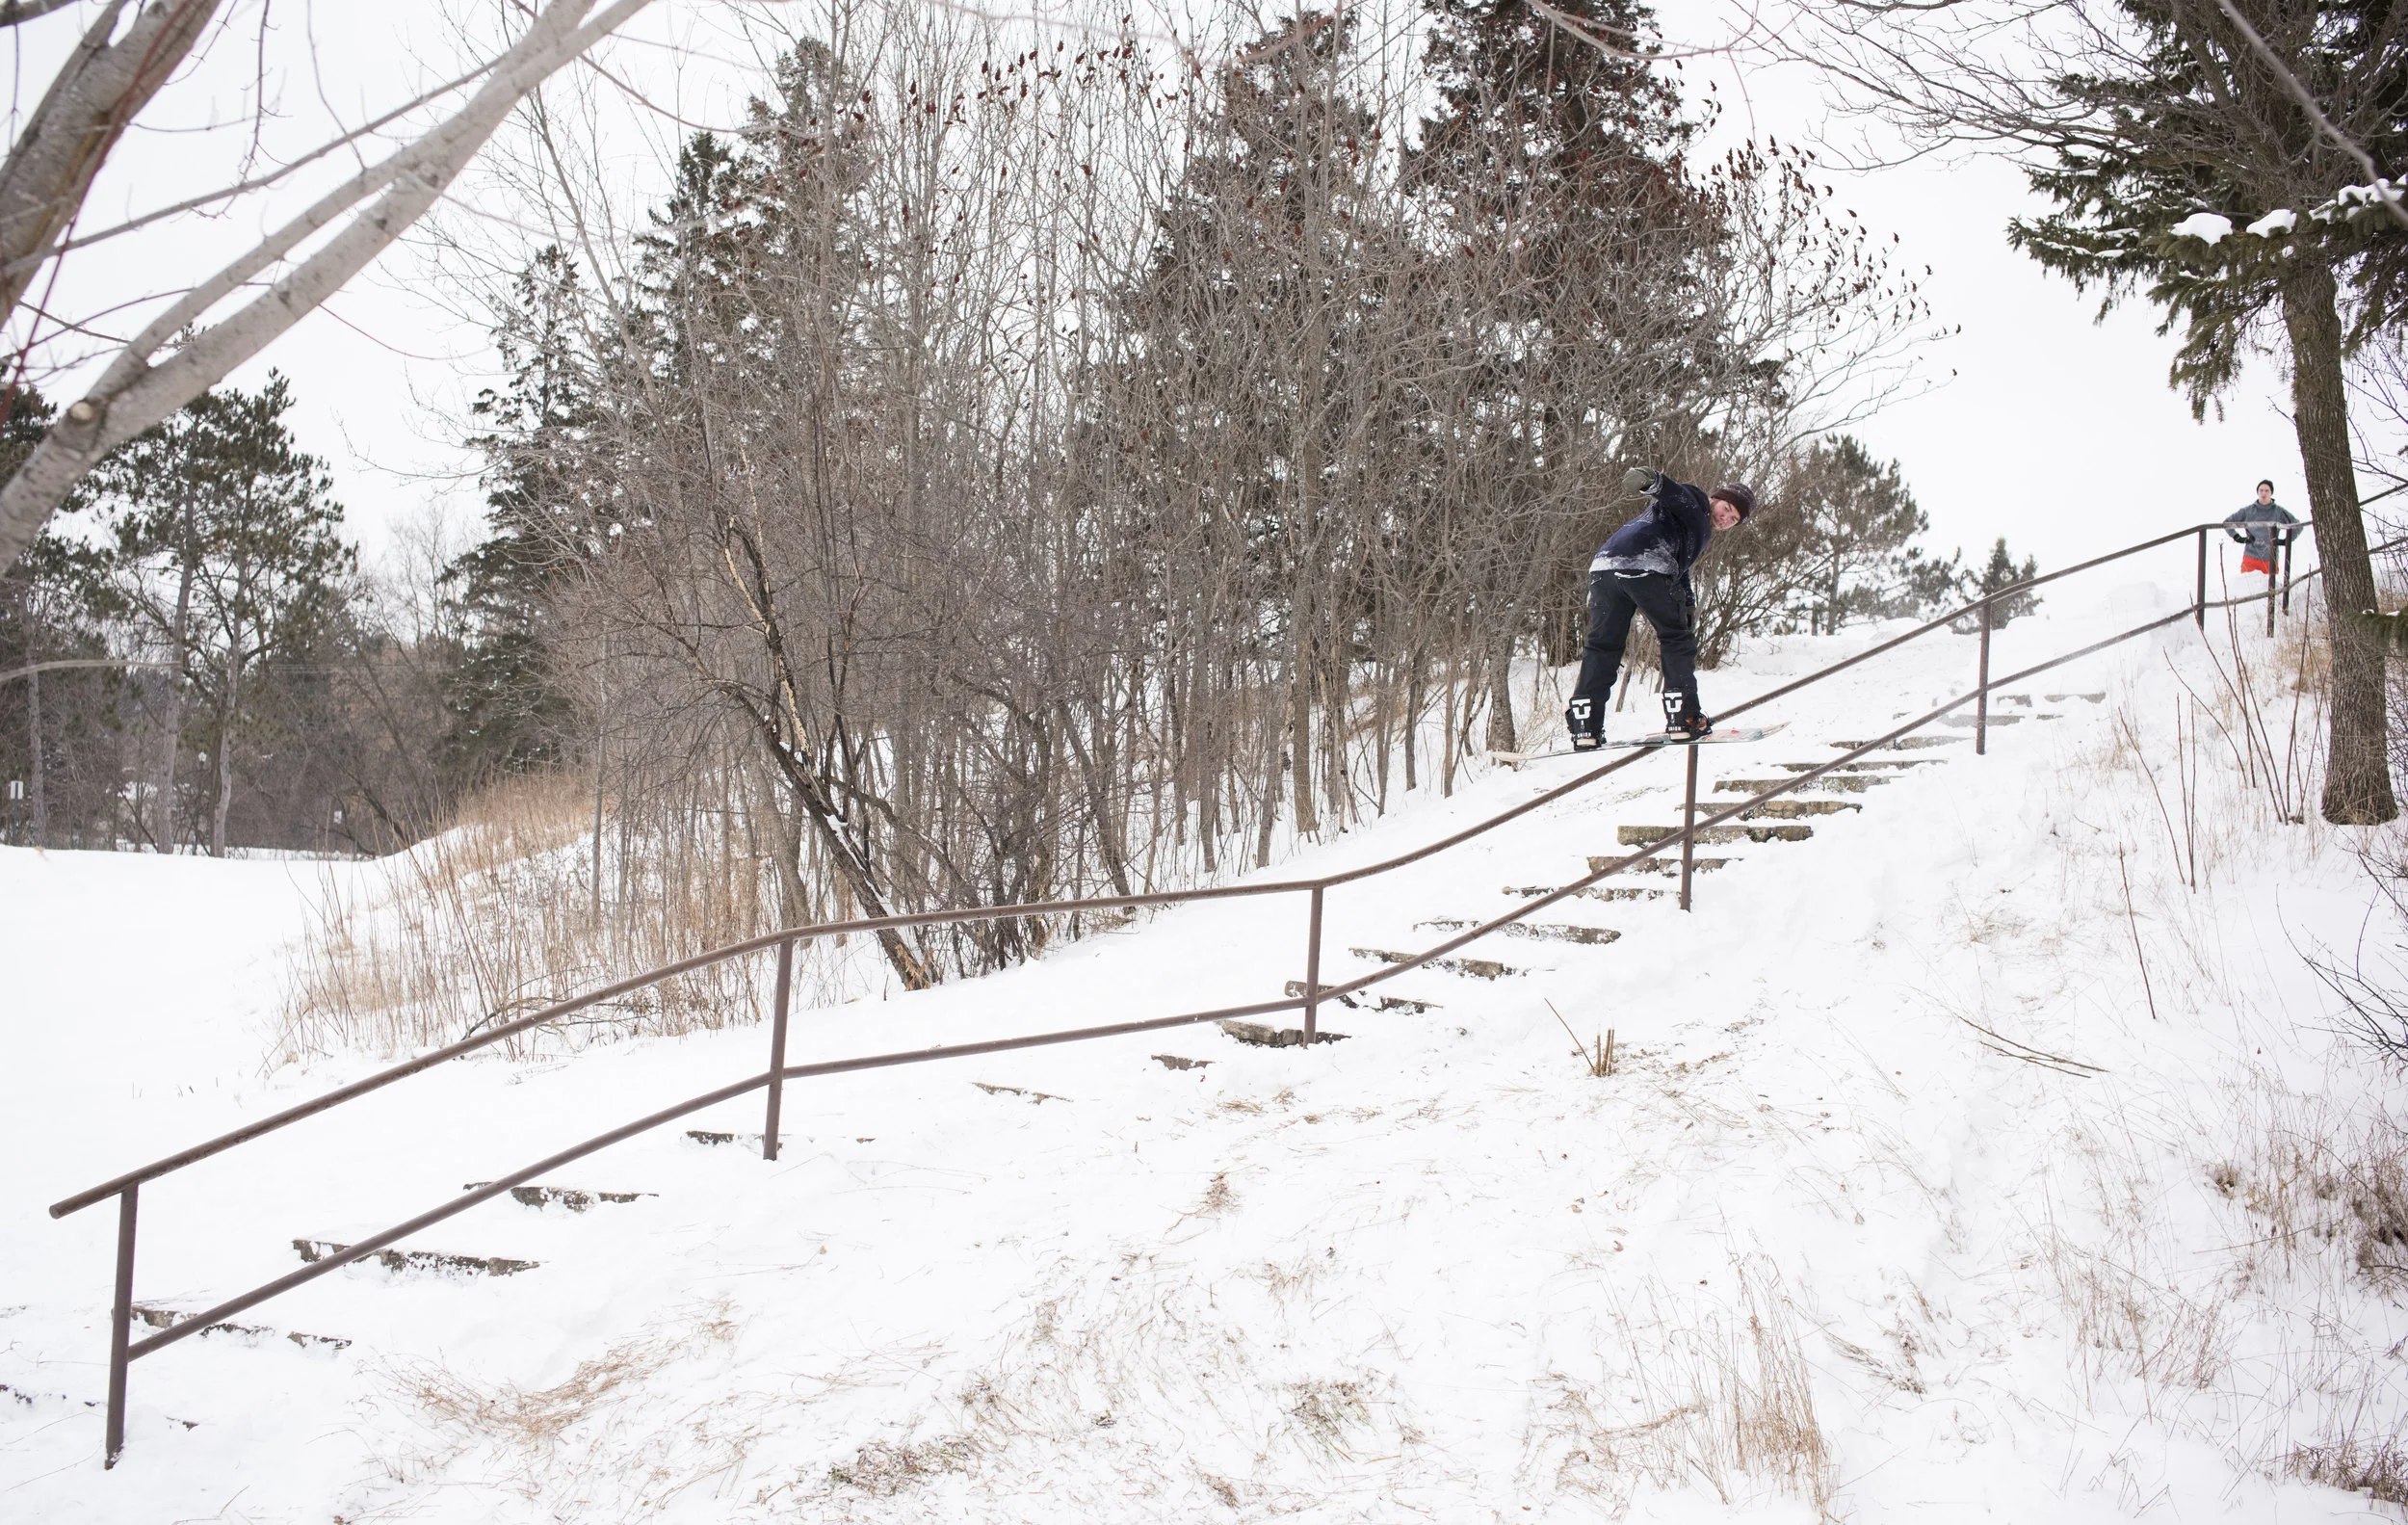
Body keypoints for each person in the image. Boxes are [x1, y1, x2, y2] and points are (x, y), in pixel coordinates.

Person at [1564, 468, 1756, 749]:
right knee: (1676, 638)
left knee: (1603, 645)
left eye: (1733, 519)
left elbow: (1681, 569)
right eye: (1726, 508)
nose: (1725, 518)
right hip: (1646, 566)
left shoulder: (1686, 526)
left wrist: (1687, 604)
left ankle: (1586, 726)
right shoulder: (1698, 502)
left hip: (1605, 568)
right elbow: (1677, 495)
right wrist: (1653, 482)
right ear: (1716, 498)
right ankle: (1684, 718)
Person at [2225, 479, 2301, 579]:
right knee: (2248, 590)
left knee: (2270, 591)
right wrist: (2238, 537)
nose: (2263, 493)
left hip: (2270, 559)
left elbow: (2298, 525)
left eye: (2266, 491)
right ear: (2257, 492)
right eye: (2261, 490)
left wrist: (2286, 541)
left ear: (2271, 493)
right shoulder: (2248, 511)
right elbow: (2227, 523)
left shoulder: (2278, 511)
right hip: (2250, 558)